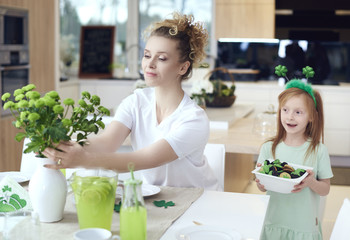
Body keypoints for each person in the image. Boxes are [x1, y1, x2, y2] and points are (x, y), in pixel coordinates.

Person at [44, 12, 220, 190]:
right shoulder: (136, 102)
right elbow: (106, 143)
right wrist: (66, 146)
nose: (149, 64)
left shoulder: (194, 119)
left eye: (161, 58)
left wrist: (85, 160)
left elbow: (145, 159)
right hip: (158, 198)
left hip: (199, 201)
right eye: (147, 55)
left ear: (183, 67)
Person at [255, 79, 333, 239]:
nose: (290, 117)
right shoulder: (268, 148)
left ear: (311, 116)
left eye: (298, 112)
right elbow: (262, 188)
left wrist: (311, 182)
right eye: (285, 110)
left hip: (303, 227)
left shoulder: (319, 150)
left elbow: (325, 189)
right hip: (273, 222)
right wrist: (260, 183)